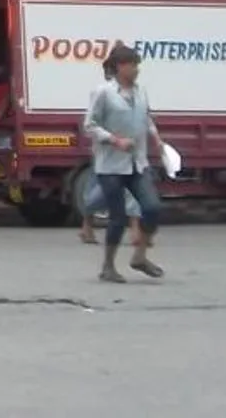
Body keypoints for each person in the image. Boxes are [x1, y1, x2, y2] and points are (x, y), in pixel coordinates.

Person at [84, 44, 165, 284]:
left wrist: (157, 140)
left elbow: (147, 117)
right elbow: (89, 125)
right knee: (118, 217)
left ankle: (139, 257)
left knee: (152, 207)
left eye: (137, 65)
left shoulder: (141, 92)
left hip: (137, 162)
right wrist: (114, 140)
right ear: (120, 66)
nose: (137, 69)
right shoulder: (104, 92)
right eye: (133, 65)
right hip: (111, 166)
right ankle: (108, 266)